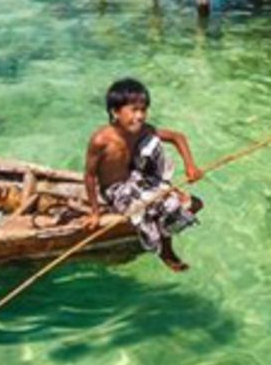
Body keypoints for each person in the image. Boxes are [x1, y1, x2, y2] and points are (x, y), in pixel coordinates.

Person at [85, 77, 204, 271]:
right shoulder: (101, 140)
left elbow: (177, 137)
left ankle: (166, 247)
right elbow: (89, 176)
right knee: (155, 206)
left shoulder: (142, 130)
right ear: (115, 112)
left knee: (169, 197)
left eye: (143, 110)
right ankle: (161, 248)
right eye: (133, 110)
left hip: (136, 178)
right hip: (115, 191)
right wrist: (95, 213)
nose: (140, 116)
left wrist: (190, 166)